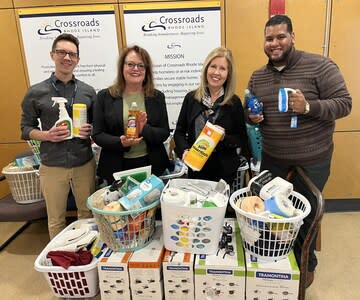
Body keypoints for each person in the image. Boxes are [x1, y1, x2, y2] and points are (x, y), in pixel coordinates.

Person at [247, 15, 352, 287]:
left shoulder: (320, 66)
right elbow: (255, 113)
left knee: (303, 217)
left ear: (293, 37)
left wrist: (309, 108)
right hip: (273, 159)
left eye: (281, 36)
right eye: (269, 38)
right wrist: (252, 117)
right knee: (270, 215)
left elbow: (344, 104)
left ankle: (305, 269)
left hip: (312, 159)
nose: (274, 43)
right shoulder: (258, 77)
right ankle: (275, 265)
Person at [20, 33, 96, 239]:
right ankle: (59, 260)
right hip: (52, 164)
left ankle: (85, 257)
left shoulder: (88, 92)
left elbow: (98, 127)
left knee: (87, 215)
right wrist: (46, 135)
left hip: (83, 162)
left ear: (78, 59)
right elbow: (25, 129)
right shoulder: (36, 92)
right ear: (52, 55)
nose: (67, 57)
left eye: (72, 54)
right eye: (62, 52)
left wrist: (91, 131)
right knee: (55, 219)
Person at [92, 45, 170, 185]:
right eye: (130, 64)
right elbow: (97, 134)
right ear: (122, 67)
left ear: (147, 71)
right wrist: (120, 142)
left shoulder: (157, 97)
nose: (136, 69)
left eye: (141, 65)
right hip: (116, 167)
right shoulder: (105, 96)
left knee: (150, 206)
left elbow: (164, 133)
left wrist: (144, 128)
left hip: (151, 165)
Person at [174, 47, 247, 186]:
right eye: (213, 66)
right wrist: (185, 150)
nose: (216, 72)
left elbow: (241, 139)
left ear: (228, 74)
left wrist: (224, 137)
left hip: (224, 171)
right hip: (196, 168)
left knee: (218, 207)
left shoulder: (234, 102)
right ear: (206, 69)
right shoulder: (191, 98)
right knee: (198, 206)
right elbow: (179, 132)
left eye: (222, 68)